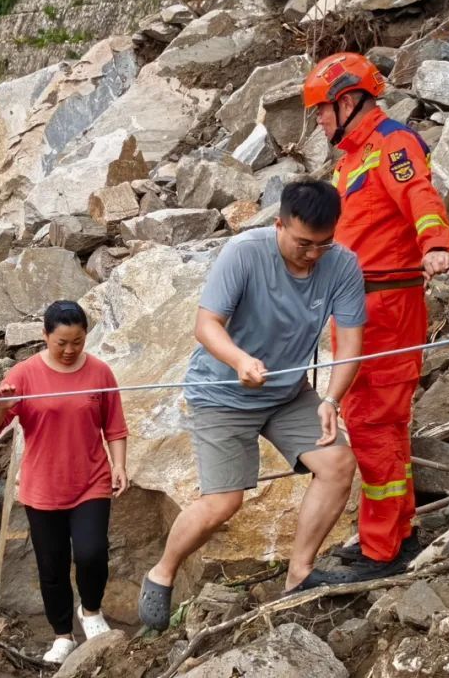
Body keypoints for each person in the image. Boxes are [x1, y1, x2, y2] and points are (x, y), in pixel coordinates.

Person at [137, 181, 367, 630]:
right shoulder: (243, 253)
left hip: (287, 393)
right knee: (223, 503)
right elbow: (206, 325)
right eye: (303, 243)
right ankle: (162, 571)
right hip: (222, 394)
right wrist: (240, 359)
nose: (313, 254)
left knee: (338, 463)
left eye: (324, 244)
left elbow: (352, 344)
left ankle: (298, 573)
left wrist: (332, 400)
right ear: (279, 224)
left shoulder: (342, 265)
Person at [303, 53, 449, 580]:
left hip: (388, 304)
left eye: (321, 110)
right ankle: (396, 529)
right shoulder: (351, 158)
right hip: (358, 306)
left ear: (347, 101)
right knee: (374, 420)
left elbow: (420, 194)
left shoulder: (393, 143)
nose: (319, 120)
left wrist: (434, 242)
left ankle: (382, 551)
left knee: (373, 422)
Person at [0, 301, 128, 665]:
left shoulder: (100, 373)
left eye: (77, 341)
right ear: (45, 336)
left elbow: (115, 426)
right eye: (60, 342)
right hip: (42, 486)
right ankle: (61, 633)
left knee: (92, 552)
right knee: (52, 564)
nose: (68, 350)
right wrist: (3, 404)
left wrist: (120, 465)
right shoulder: (25, 374)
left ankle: (91, 611)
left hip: (91, 479)